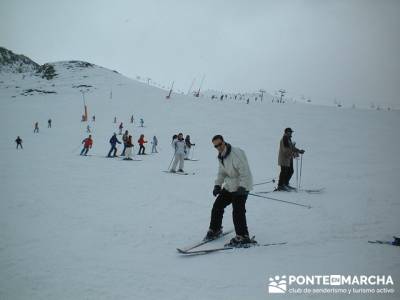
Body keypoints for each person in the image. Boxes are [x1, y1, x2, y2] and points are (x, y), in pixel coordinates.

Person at [205, 135, 255, 246]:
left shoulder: (235, 154)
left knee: (238, 211)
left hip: (241, 187)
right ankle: (215, 229)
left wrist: (243, 187)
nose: (218, 147)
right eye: (215, 146)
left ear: (224, 142)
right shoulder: (221, 156)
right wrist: (217, 185)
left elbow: (245, 171)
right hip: (230, 186)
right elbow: (222, 172)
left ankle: (243, 236)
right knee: (217, 206)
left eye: (219, 144)